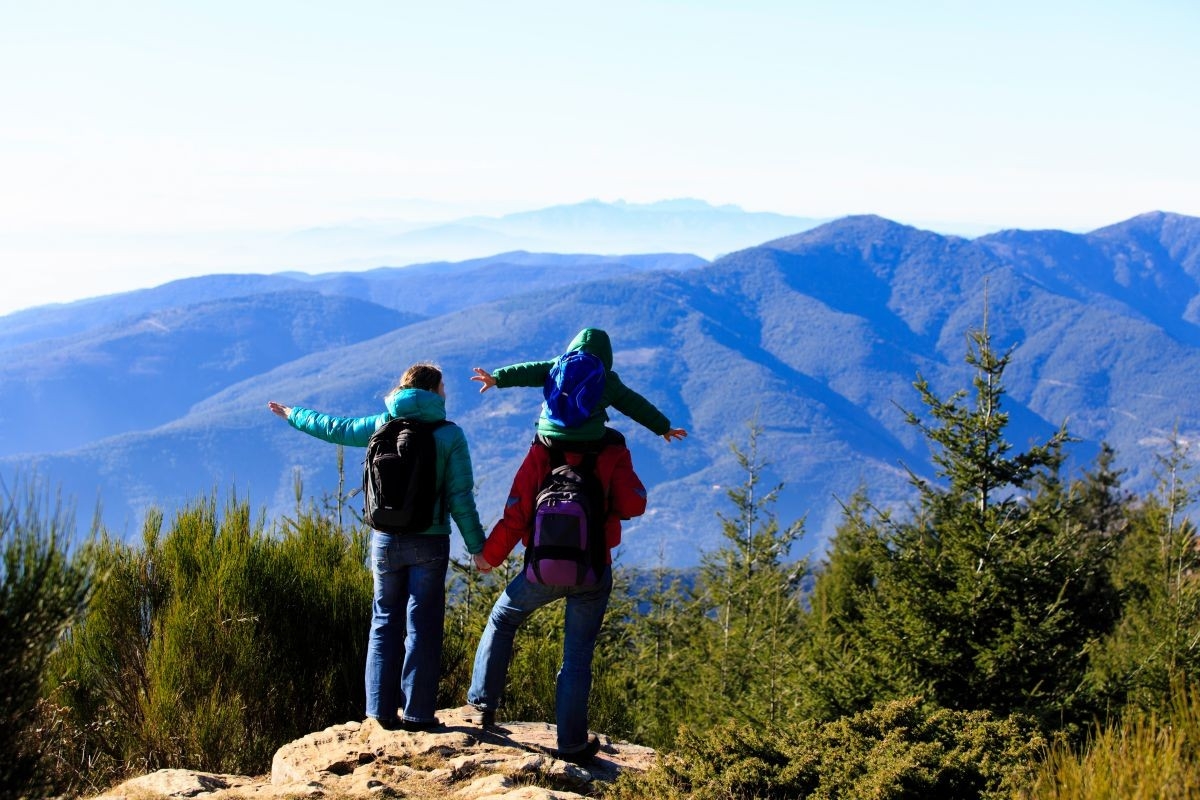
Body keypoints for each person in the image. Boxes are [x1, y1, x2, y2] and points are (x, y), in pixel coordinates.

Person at [267, 362, 485, 732]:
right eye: (443, 387)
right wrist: (478, 547)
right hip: (429, 540)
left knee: (384, 622)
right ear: (433, 391)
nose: (446, 393)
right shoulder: (450, 435)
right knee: (423, 625)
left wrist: (293, 414)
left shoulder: (381, 425)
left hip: (384, 539)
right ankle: (417, 714)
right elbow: (460, 497)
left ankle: (379, 713)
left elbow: (335, 427)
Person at [466, 427, 647, 764]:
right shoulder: (611, 448)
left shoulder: (543, 449)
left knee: (503, 618)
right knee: (577, 654)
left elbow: (516, 514)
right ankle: (572, 743)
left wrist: (489, 558)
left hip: (542, 569)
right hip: (593, 569)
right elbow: (634, 503)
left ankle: (482, 707)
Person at [471, 327, 688, 444]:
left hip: (551, 434)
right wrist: (663, 428)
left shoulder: (558, 365)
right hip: (589, 437)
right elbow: (636, 405)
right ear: (607, 355)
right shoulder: (608, 379)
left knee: (533, 465)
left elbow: (527, 370)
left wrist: (497, 378)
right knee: (616, 443)